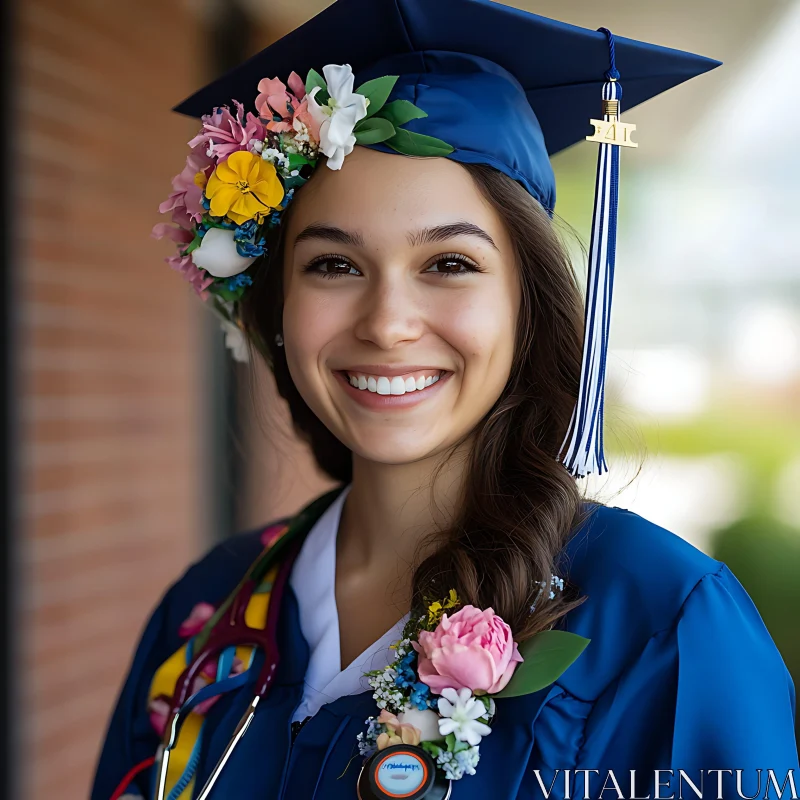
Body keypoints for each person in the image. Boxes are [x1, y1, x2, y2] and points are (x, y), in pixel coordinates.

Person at [92, 0, 799, 798]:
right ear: (277, 308)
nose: (389, 323)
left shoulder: (660, 624)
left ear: (528, 305)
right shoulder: (209, 608)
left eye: (450, 264)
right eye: (333, 265)